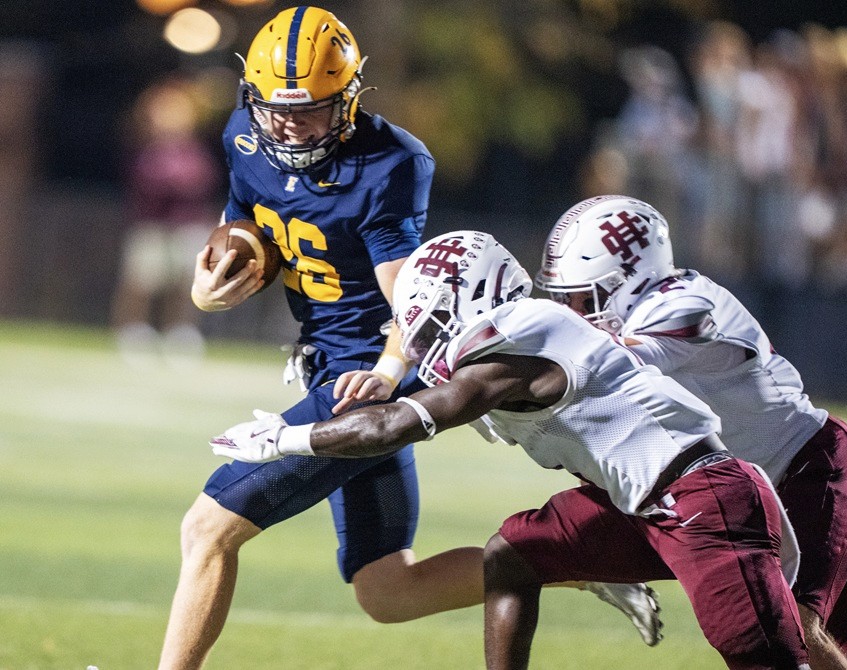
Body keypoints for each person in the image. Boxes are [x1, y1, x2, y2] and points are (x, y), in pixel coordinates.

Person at [159, 9, 658, 669]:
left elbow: (411, 302)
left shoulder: (388, 162)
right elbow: (249, 222)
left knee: (207, 526)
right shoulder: (244, 136)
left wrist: (388, 378)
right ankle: (575, 562)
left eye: (310, 111)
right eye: (277, 111)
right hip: (329, 364)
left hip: (369, 370)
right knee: (389, 591)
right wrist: (218, 277)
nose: (290, 127)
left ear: (348, 99)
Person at [210, 230, 812, 670]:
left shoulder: (522, 333)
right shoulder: (517, 344)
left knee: (771, 660)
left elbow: (397, 426)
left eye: (433, 324)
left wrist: (283, 439)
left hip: (701, 502)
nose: (426, 346)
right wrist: (377, 379)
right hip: (648, 505)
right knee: (514, 555)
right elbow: (442, 405)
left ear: (474, 298)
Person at [534, 194, 847, 670]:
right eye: (562, 299)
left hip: (813, 469)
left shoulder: (682, 302)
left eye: (581, 299)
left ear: (630, 277)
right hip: (755, 495)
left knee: (792, 626)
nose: (570, 314)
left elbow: (604, 364)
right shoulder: (640, 315)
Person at [110, 75, 222, 368]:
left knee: (186, 284)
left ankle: (180, 333)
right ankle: (133, 331)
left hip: (189, 224)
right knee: (142, 282)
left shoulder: (194, 149)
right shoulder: (146, 147)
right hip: (153, 225)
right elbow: (150, 182)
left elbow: (204, 181)